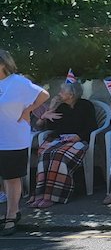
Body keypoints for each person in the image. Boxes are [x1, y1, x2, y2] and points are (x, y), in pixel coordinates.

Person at [0, 50, 49, 235]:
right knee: (4, 177)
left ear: (3, 64)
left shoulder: (17, 82)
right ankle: (10, 211)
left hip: (13, 138)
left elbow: (43, 94)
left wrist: (28, 110)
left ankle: (12, 214)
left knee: (12, 178)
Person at [29, 79, 98, 208]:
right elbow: (52, 126)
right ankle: (41, 194)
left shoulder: (86, 105)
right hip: (61, 139)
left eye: (62, 91)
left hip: (79, 140)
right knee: (44, 153)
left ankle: (55, 195)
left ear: (71, 94)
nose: (59, 93)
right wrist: (52, 108)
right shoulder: (61, 107)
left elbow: (92, 126)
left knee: (59, 156)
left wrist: (79, 136)